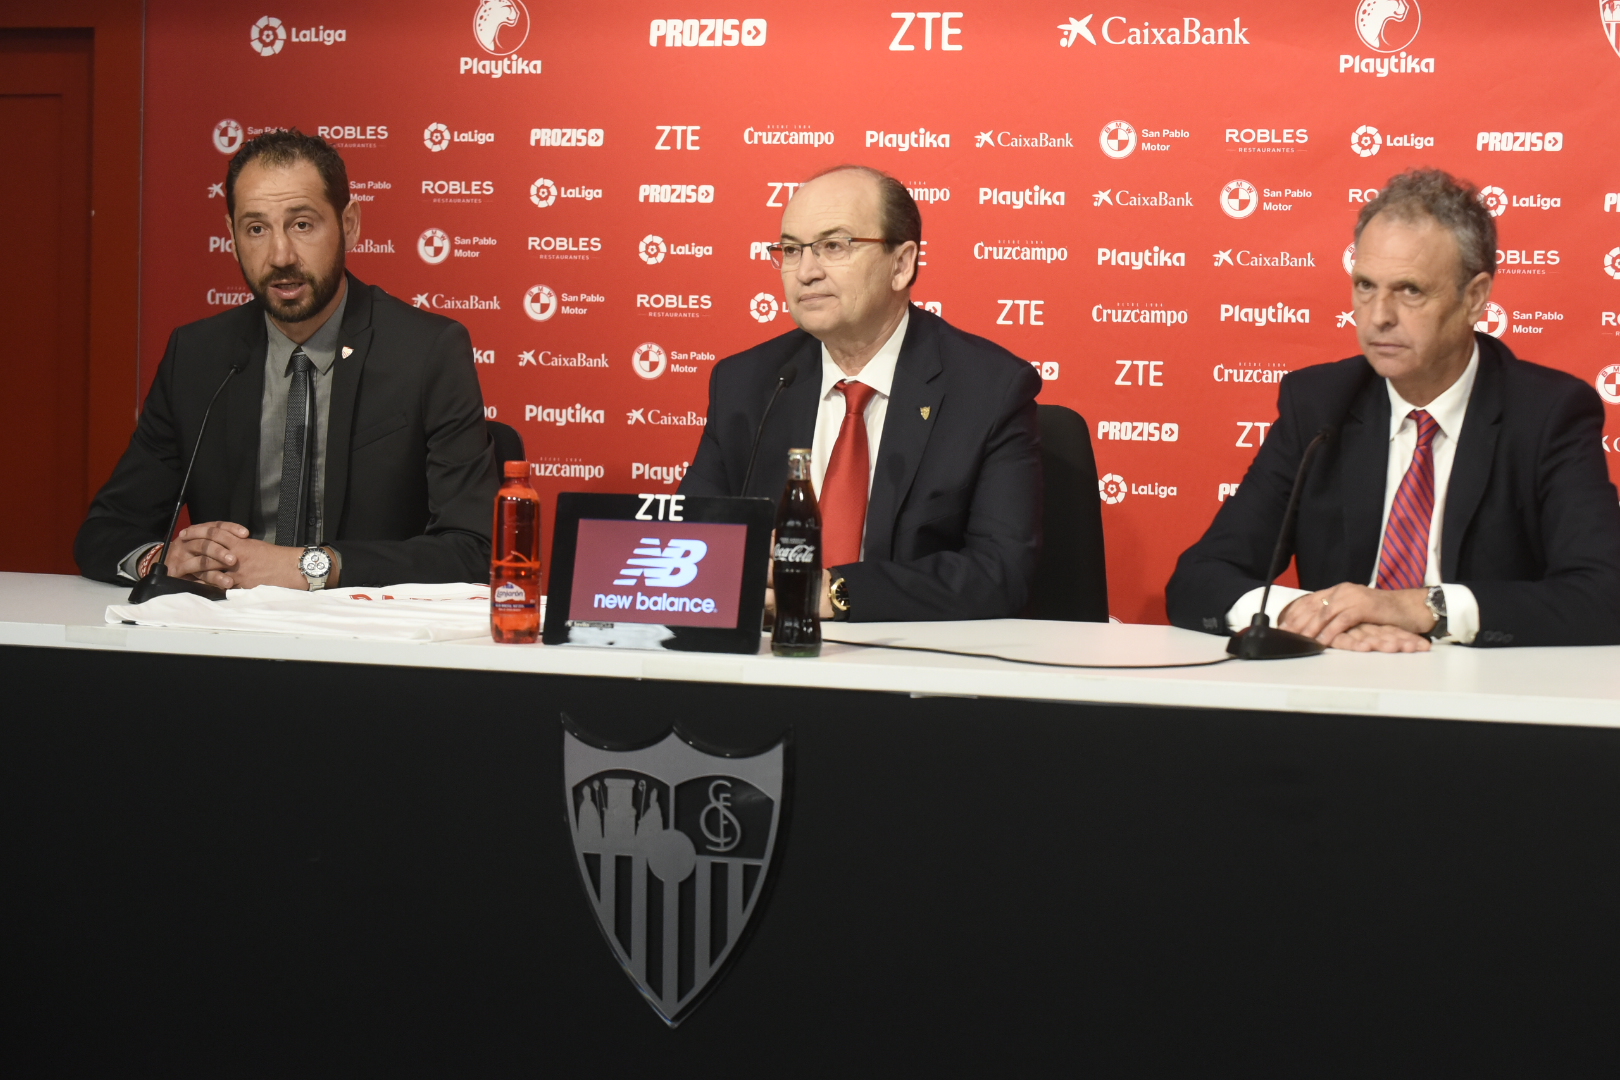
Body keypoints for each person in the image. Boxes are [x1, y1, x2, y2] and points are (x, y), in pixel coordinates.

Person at [1167, 169, 1620, 650]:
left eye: (1410, 290)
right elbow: (1199, 578)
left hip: (1482, 699)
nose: (1379, 315)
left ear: (1475, 297)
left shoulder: (1547, 414)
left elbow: (1605, 595)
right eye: (1365, 285)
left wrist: (1422, 608)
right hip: (1338, 687)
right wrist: (1318, 616)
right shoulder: (1320, 404)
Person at [76, 130, 497, 590]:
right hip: (221, 635)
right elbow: (105, 530)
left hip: (367, 639)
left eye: (302, 224)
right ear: (232, 235)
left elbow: (474, 548)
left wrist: (309, 567)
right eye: (256, 229)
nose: (280, 256)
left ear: (349, 224)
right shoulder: (198, 356)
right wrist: (161, 560)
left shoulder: (426, 352)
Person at [679, 165, 1042, 622]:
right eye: (791, 250)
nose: (806, 272)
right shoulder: (748, 383)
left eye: (834, 246)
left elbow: (999, 572)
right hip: (768, 655)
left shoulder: (988, 388)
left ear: (902, 264)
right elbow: (691, 536)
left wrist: (836, 593)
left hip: (912, 665)